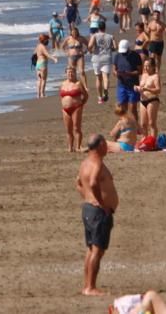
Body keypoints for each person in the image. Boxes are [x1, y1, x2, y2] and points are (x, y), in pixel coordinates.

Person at [76, 134, 118, 296]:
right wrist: (101, 203)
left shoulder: (85, 163)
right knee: (97, 250)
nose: (107, 147)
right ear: (100, 145)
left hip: (88, 209)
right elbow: (93, 182)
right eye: (105, 144)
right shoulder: (97, 163)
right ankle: (90, 287)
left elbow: (78, 183)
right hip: (98, 212)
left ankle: (87, 285)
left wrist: (88, 198)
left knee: (91, 249)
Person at [59, 66, 89, 152]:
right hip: (65, 109)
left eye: (72, 72)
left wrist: (81, 104)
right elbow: (61, 96)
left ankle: (78, 146)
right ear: (66, 73)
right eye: (68, 72)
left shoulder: (78, 83)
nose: (70, 74)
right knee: (68, 129)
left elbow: (86, 95)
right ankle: (70, 147)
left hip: (76, 107)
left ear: (75, 73)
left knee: (76, 128)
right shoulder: (63, 84)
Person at [88, 25, 116, 104]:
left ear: (98, 28)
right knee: (105, 77)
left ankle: (100, 98)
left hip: (97, 58)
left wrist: (90, 51)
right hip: (107, 58)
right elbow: (115, 47)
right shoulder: (110, 36)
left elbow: (89, 46)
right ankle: (105, 90)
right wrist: (111, 49)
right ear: (105, 28)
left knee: (98, 78)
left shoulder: (94, 36)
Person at [135, 58, 161, 137]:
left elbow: (158, 90)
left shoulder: (155, 76)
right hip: (143, 100)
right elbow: (141, 86)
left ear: (153, 67)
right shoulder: (144, 75)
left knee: (151, 123)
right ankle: (145, 140)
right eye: (145, 66)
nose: (146, 68)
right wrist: (136, 88)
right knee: (143, 123)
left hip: (152, 100)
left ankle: (153, 141)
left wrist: (147, 89)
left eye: (148, 66)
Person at [112, 39, 142, 108]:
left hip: (133, 86)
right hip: (121, 85)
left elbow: (140, 71)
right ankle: (125, 119)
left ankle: (133, 119)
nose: (123, 53)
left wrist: (128, 73)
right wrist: (116, 73)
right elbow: (114, 69)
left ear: (129, 48)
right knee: (122, 107)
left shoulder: (135, 56)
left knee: (132, 108)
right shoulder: (117, 56)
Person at [33, 33, 57, 98]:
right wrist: (54, 59)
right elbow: (47, 54)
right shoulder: (43, 47)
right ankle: (42, 94)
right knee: (43, 79)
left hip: (38, 64)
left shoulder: (38, 46)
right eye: (47, 40)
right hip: (43, 63)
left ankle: (38, 94)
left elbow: (34, 53)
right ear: (44, 40)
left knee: (39, 79)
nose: (48, 41)